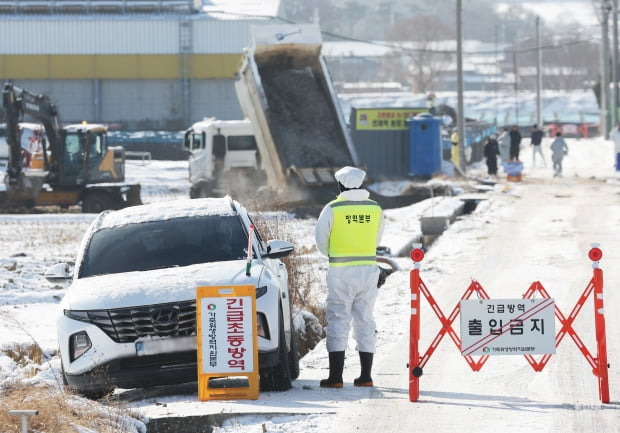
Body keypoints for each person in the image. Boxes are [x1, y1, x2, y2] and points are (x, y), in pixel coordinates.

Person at [315, 166, 384, 388]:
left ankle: (335, 377)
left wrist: (334, 254)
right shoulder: (375, 208)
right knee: (365, 319)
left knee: (338, 319)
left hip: (341, 272)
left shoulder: (332, 208)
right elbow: (377, 238)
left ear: (340, 185)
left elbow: (321, 241)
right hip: (368, 270)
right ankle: (366, 376)